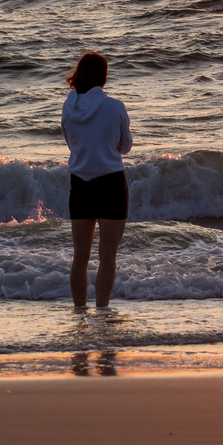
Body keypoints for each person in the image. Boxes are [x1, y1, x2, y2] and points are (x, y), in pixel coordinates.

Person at [61, 51, 133, 308]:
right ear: (103, 76)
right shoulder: (115, 106)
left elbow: (71, 144)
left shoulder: (68, 107)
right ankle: (102, 309)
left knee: (80, 257)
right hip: (111, 182)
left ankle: (79, 312)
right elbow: (125, 147)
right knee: (108, 256)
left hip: (80, 184)